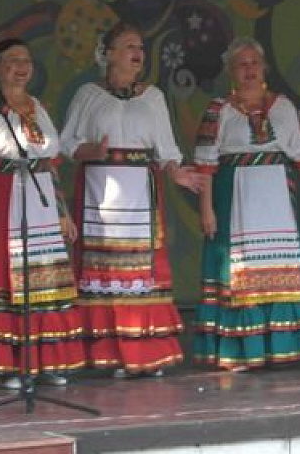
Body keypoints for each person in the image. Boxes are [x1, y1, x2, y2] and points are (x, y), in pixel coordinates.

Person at [59, 22, 205, 377]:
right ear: (107, 53)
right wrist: (91, 149)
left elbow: (166, 149)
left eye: (139, 45)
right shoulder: (88, 95)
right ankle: (113, 355)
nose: (137, 52)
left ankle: (146, 353)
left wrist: (176, 172)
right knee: (106, 272)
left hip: (141, 189)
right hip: (100, 188)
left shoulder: (152, 97)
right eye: (127, 46)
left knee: (143, 271)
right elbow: (64, 143)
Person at [193, 37, 300, 371]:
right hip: (234, 195)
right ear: (230, 71)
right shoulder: (218, 109)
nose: (249, 69)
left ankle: (284, 344)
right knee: (239, 270)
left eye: (254, 62)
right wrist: (206, 208)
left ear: (264, 67)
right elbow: (206, 163)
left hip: (277, 197)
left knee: (281, 266)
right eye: (242, 63)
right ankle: (239, 349)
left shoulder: (282, 107)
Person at [0, 38, 85, 389]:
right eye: (12, 60)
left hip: (41, 199)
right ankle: (9, 365)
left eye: (26, 60)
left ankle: (45, 360)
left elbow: (50, 164)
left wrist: (63, 212)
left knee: (43, 277)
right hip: (2, 198)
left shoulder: (36, 108)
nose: (21, 66)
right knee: (5, 277)